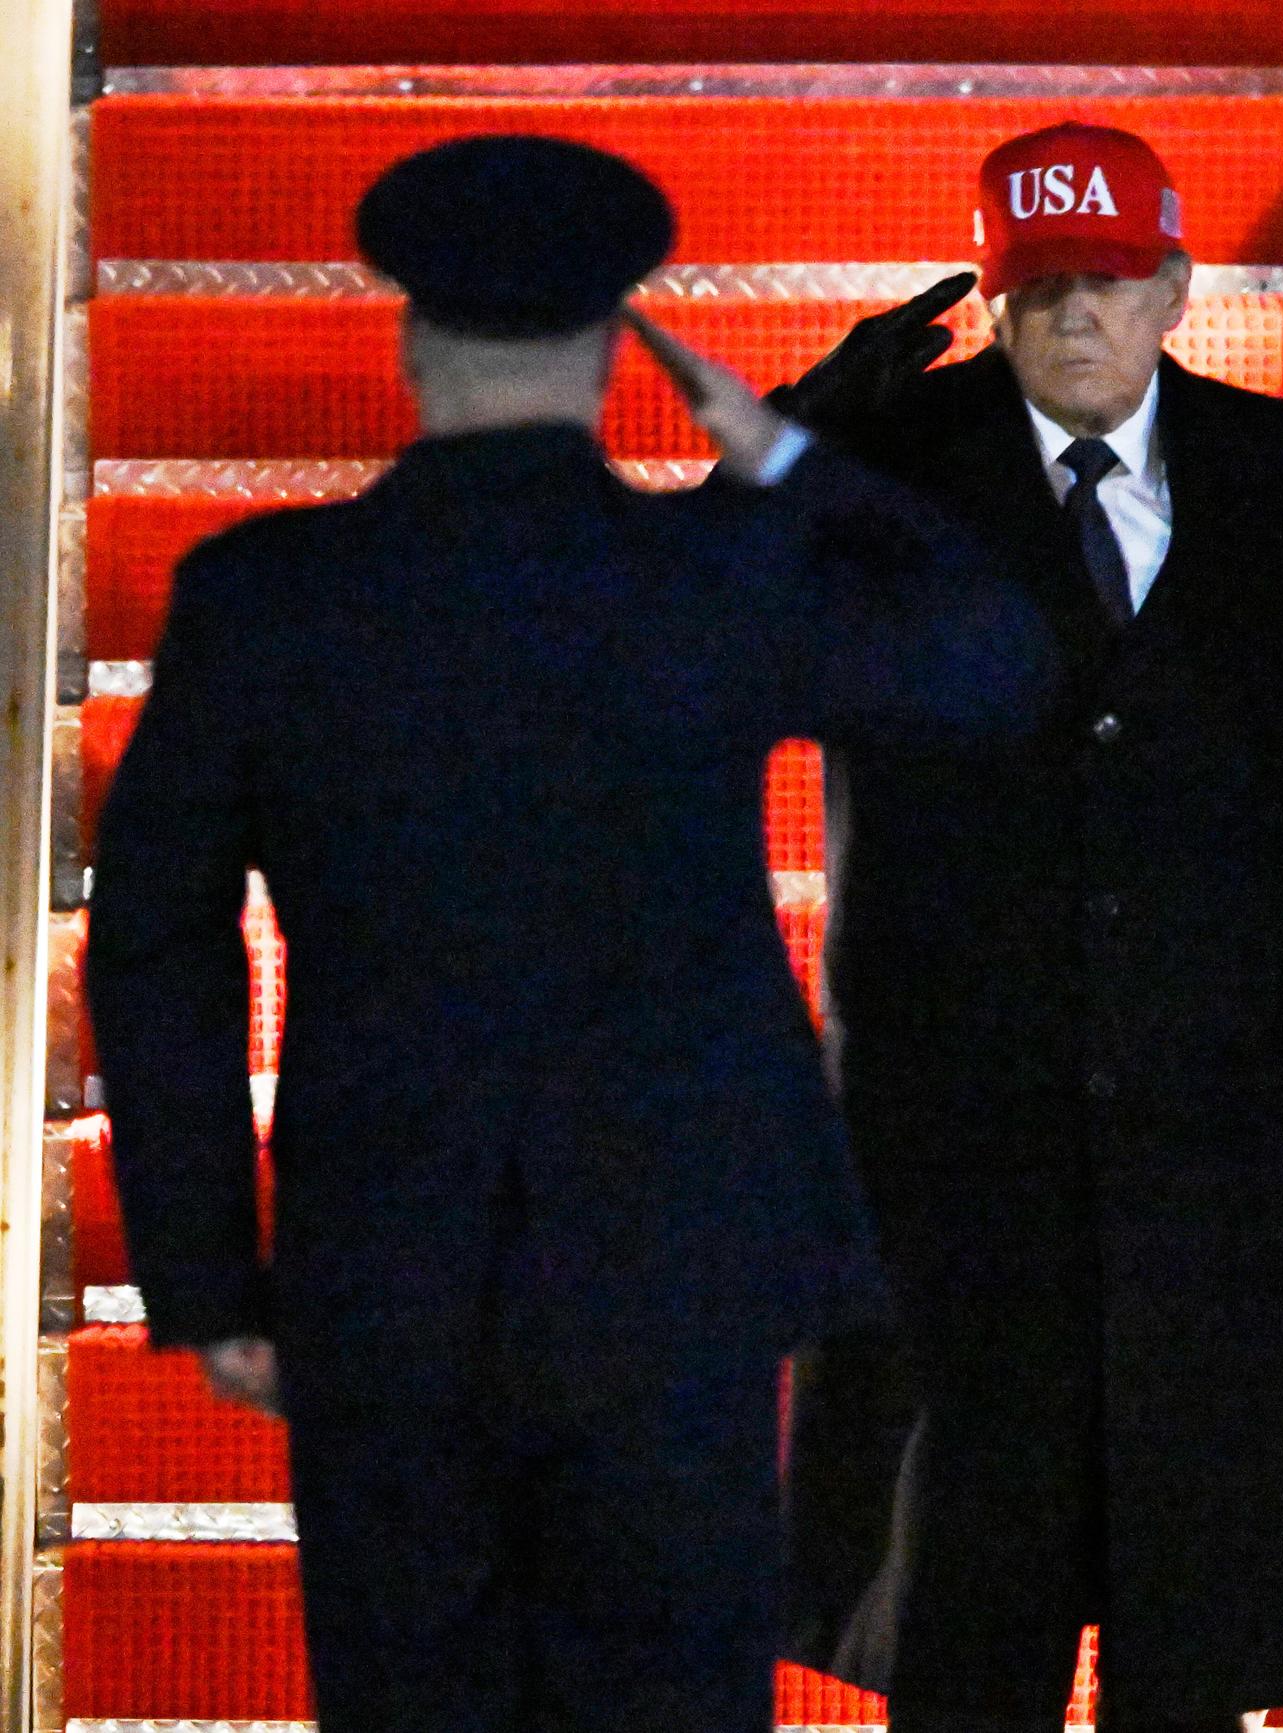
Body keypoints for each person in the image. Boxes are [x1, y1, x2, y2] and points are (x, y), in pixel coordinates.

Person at [84, 135, 1048, 1733]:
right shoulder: (703, 575)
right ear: (614, 353)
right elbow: (997, 661)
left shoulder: (266, 594)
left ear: (408, 343)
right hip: (679, 1275)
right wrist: (792, 455)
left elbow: (158, 944)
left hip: (386, 1272)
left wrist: (212, 1277)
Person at [770, 121, 1283, 1733]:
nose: (1077, 314)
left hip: (1221, 1141)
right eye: (1040, 283)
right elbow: (670, 645)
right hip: (958, 1156)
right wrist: (783, 446)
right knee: (961, 1637)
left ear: (1178, 286)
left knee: (1192, 1628)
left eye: (1111, 278)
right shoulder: (883, 474)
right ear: (990, 301)